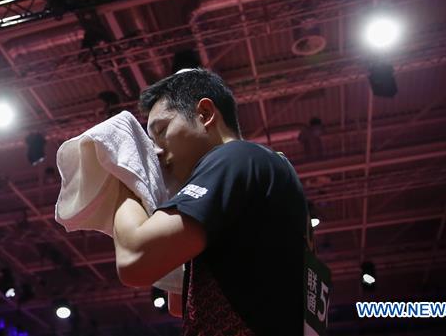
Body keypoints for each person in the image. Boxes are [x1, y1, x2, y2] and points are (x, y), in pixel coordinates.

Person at [112, 68, 309, 335]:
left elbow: (135, 260)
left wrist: (124, 176)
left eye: (161, 130)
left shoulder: (235, 157)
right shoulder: (260, 167)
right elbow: (179, 304)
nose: (156, 152)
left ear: (205, 114)